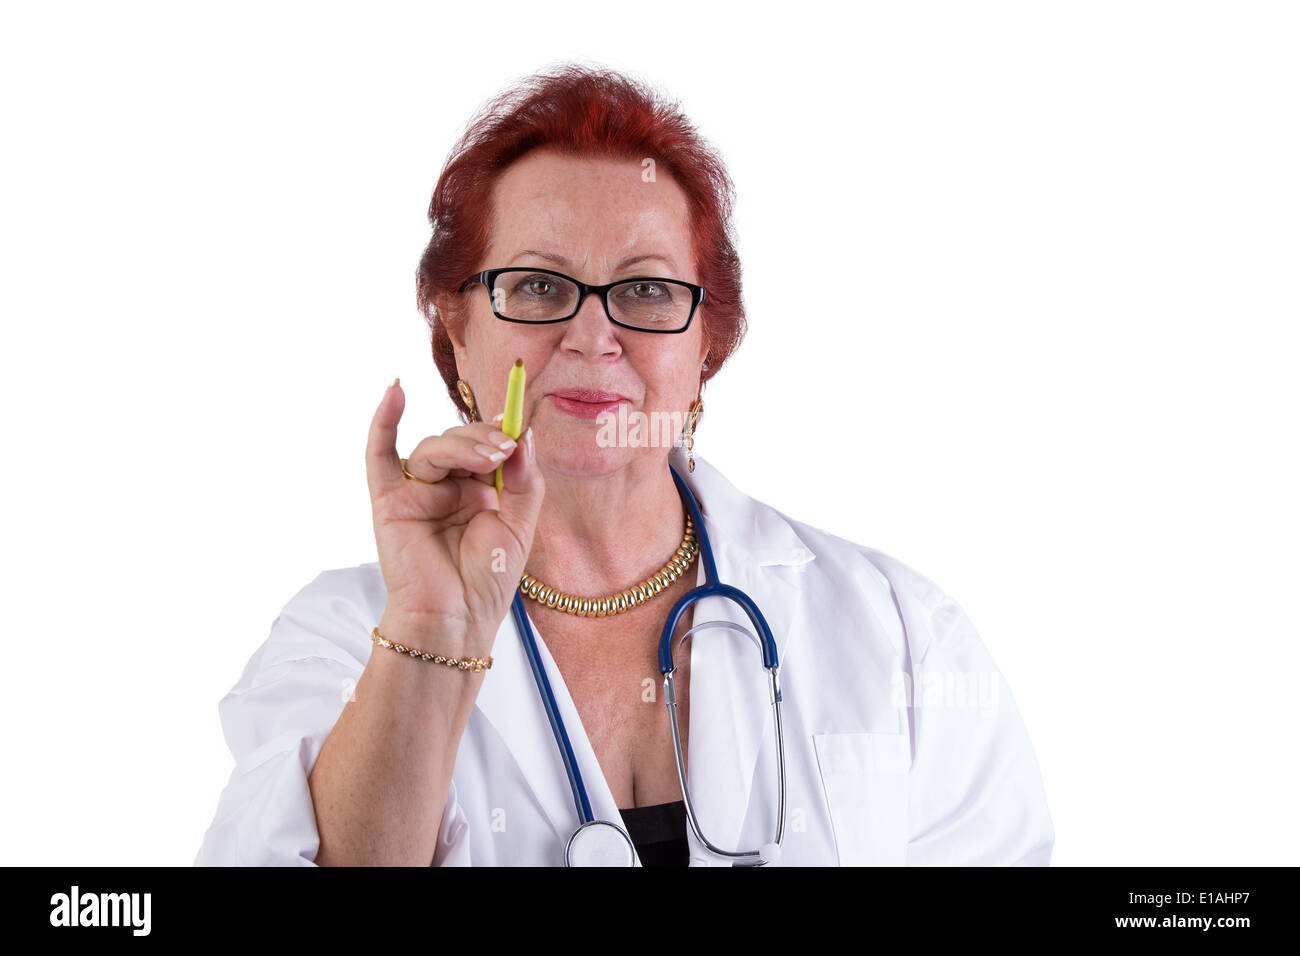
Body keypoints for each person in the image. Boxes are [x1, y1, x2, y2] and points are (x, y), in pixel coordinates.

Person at [195, 63, 1054, 867]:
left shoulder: (899, 632)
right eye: (536, 285)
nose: (591, 336)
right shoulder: (343, 639)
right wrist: (428, 635)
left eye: (645, 290)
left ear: (707, 341)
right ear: (458, 329)